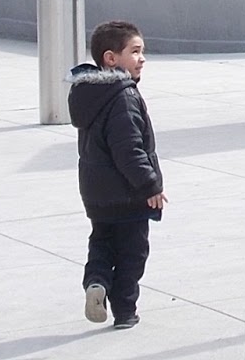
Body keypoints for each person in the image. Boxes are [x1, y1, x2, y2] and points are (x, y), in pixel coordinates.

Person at [67, 20, 166, 330]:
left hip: (97, 194)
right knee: (132, 252)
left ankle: (96, 282)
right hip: (128, 193)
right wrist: (149, 184)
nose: (142, 58)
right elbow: (129, 149)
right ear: (111, 58)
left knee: (102, 242)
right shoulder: (122, 96)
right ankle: (125, 310)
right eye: (135, 51)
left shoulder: (88, 93)